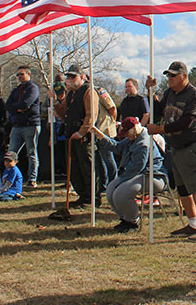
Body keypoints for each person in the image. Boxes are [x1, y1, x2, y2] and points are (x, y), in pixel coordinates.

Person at [145, 61, 196, 242]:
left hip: (192, 143)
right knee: (182, 187)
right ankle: (193, 223)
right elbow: (158, 111)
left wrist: (160, 129)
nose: (169, 78)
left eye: (173, 75)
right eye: (168, 75)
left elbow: (186, 122)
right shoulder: (169, 93)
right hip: (176, 145)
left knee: (195, 185)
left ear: (184, 76)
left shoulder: (194, 95)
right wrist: (150, 93)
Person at [101, 116, 165, 233]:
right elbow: (117, 147)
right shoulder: (133, 138)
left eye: (126, 133)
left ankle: (133, 222)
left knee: (121, 193)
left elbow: (136, 168)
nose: (125, 136)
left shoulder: (143, 143)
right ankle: (125, 219)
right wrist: (100, 136)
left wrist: (120, 181)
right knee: (110, 190)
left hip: (152, 177)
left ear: (134, 130)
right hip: (136, 175)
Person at [53, 65, 100, 208]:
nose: (70, 79)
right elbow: (63, 113)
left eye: (73, 77)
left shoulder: (88, 91)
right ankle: (83, 195)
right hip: (70, 134)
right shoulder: (70, 94)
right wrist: (55, 101)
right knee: (74, 169)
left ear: (82, 77)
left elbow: (91, 115)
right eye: (68, 77)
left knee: (87, 167)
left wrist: (82, 132)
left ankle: (94, 197)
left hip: (83, 136)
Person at [6, 66, 40, 189]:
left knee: (31, 152)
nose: (20, 77)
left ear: (28, 74)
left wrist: (23, 107)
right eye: (18, 75)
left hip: (30, 124)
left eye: (22, 74)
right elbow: (8, 105)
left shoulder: (33, 88)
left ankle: (32, 179)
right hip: (17, 125)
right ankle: (9, 178)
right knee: (11, 152)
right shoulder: (16, 90)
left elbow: (27, 103)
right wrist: (18, 108)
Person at [94, 86, 118, 192]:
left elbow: (112, 108)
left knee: (108, 158)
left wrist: (111, 122)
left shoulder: (99, 91)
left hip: (105, 131)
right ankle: (103, 184)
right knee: (100, 161)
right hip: (95, 132)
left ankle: (114, 183)